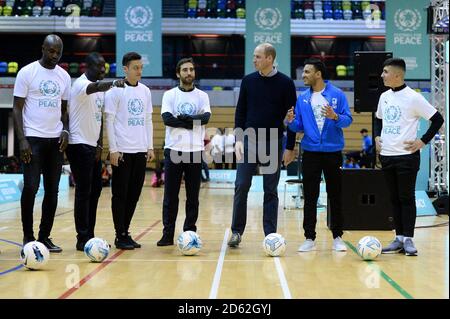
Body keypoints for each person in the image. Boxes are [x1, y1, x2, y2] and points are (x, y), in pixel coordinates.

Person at [227, 43, 297, 247]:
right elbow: (240, 112)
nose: (254, 60)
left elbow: (292, 118)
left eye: (257, 56)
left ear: (269, 59)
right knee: (241, 185)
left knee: (270, 189)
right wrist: (238, 139)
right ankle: (236, 232)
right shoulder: (248, 81)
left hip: (274, 141)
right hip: (249, 140)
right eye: (254, 56)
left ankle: (270, 234)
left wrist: (290, 147)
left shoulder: (285, 83)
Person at [375, 58, 443, 256]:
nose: (382, 75)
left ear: (397, 75)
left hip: (407, 156)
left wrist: (422, 141)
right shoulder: (383, 96)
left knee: (406, 198)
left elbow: (437, 119)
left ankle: (409, 239)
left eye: (385, 71)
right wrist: (378, 136)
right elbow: (379, 119)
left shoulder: (414, 97)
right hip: (387, 155)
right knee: (394, 199)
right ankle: (399, 238)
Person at [286, 57, 353, 252]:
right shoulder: (303, 98)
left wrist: (335, 116)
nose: (303, 76)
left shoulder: (337, 95)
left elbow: (347, 120)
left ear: (318, 74)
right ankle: (309, 237)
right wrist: (290, 121)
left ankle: (338, 236)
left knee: (335, 195)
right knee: (310, 196)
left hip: (333, 153)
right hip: (311, 154)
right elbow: (299, 126)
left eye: (307, 72)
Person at [12, 34, 71, 252]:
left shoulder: (64, 76)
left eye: (58, 52)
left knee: (52, 191)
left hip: (55, 141)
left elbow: (64, 110)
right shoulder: (27, 72)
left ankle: (44, 236)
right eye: (51, 51)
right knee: (30, 187)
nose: (54, 55)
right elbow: (17, 108)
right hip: (33, 140)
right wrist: (22, 140)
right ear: (43, 49)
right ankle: (28, 237)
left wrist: (65, 130)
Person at [66, 52, 125, 251]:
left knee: (96, 191)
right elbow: (95, 87)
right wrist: (113, 83)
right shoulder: (81, 85)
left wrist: (100, 145)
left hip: (92, 146)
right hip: (78, 144)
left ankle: (89, 235)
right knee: (84, 192)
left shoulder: (100, 90)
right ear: (86, 66)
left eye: (105, 67)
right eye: (99, 66)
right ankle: (82, 238)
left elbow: (99, 119)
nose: (103, 69)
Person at [157, 57, 211, 246]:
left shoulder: (202, 96)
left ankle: (190, 233)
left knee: (192, 196)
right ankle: (167, 234)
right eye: (185, 70)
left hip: (195, 151)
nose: (189, 73)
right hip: (173, 150)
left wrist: (187, 119)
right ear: (178, 73)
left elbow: (205, 118)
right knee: (170, 196)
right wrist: (191, 122)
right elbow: (167, 119)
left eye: (192, 70)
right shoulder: (170, 95)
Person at [105, 52, 154, 250]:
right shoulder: (115, 90)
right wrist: (113, 149)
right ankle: (120, 234)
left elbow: (148, 120)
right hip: (122, 150)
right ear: (125, 69)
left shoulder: (145, 91)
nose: (139, 71)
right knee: (120, 194)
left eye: (141, 67)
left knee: (134, 194)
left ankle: (126, 231)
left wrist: (149, 145)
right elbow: (109, 121)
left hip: (140, 150)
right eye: (135, 68)